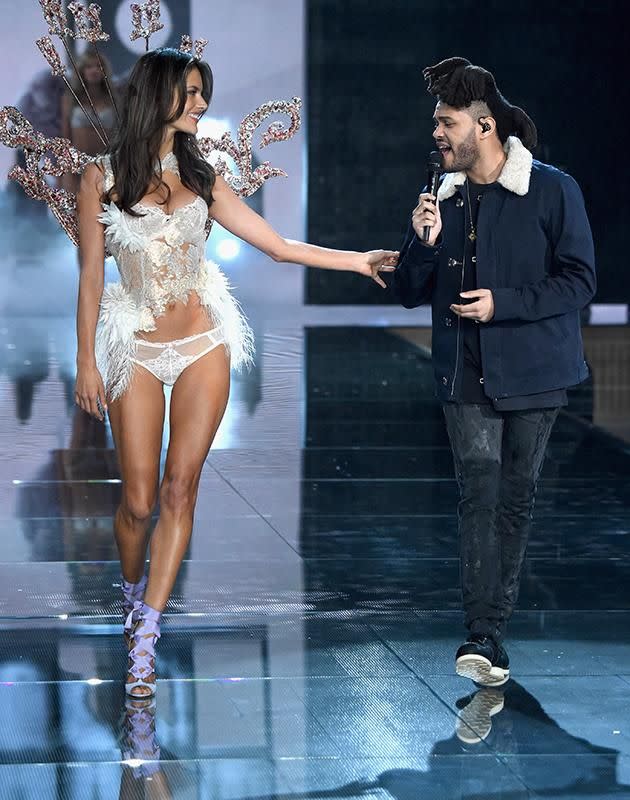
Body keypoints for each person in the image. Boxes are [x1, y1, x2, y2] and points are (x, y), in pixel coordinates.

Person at [75, 47, 397, 699]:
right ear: (159, 96)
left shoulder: (206, 176)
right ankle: (131, 592)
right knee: (136, 502)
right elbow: (89, 280)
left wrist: (358, 261)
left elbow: (277, 246)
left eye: (202, 94)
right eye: (191, 93)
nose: (200, 104)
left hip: (202, 343)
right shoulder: (99, 178)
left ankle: (146, 637)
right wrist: (85, 359)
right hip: (133, 342)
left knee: (179, 491)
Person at [391, 57, 596, 686]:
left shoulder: (553, 190)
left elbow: (579, 280)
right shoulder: (440, 198)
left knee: (514, 499)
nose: (437, 135)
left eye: (446, 123)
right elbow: (405, 289)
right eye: (436, 123)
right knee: (477, 495)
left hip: (534, 372)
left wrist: (502, 304)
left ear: (483, 126)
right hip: (464, 371)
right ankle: (481, 637)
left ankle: (493, 624)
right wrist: (421, 246)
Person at [61, 46, 118, 192]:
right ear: (81, 71)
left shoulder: (114, 99)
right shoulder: (70, 99)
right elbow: (65, 137)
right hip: (78, 166)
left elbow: (119, 136)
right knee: (77, 212)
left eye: (98, 66)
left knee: (104, 212)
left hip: (105, 166)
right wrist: (66, 171)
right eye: (88, 66)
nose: (94, 70)